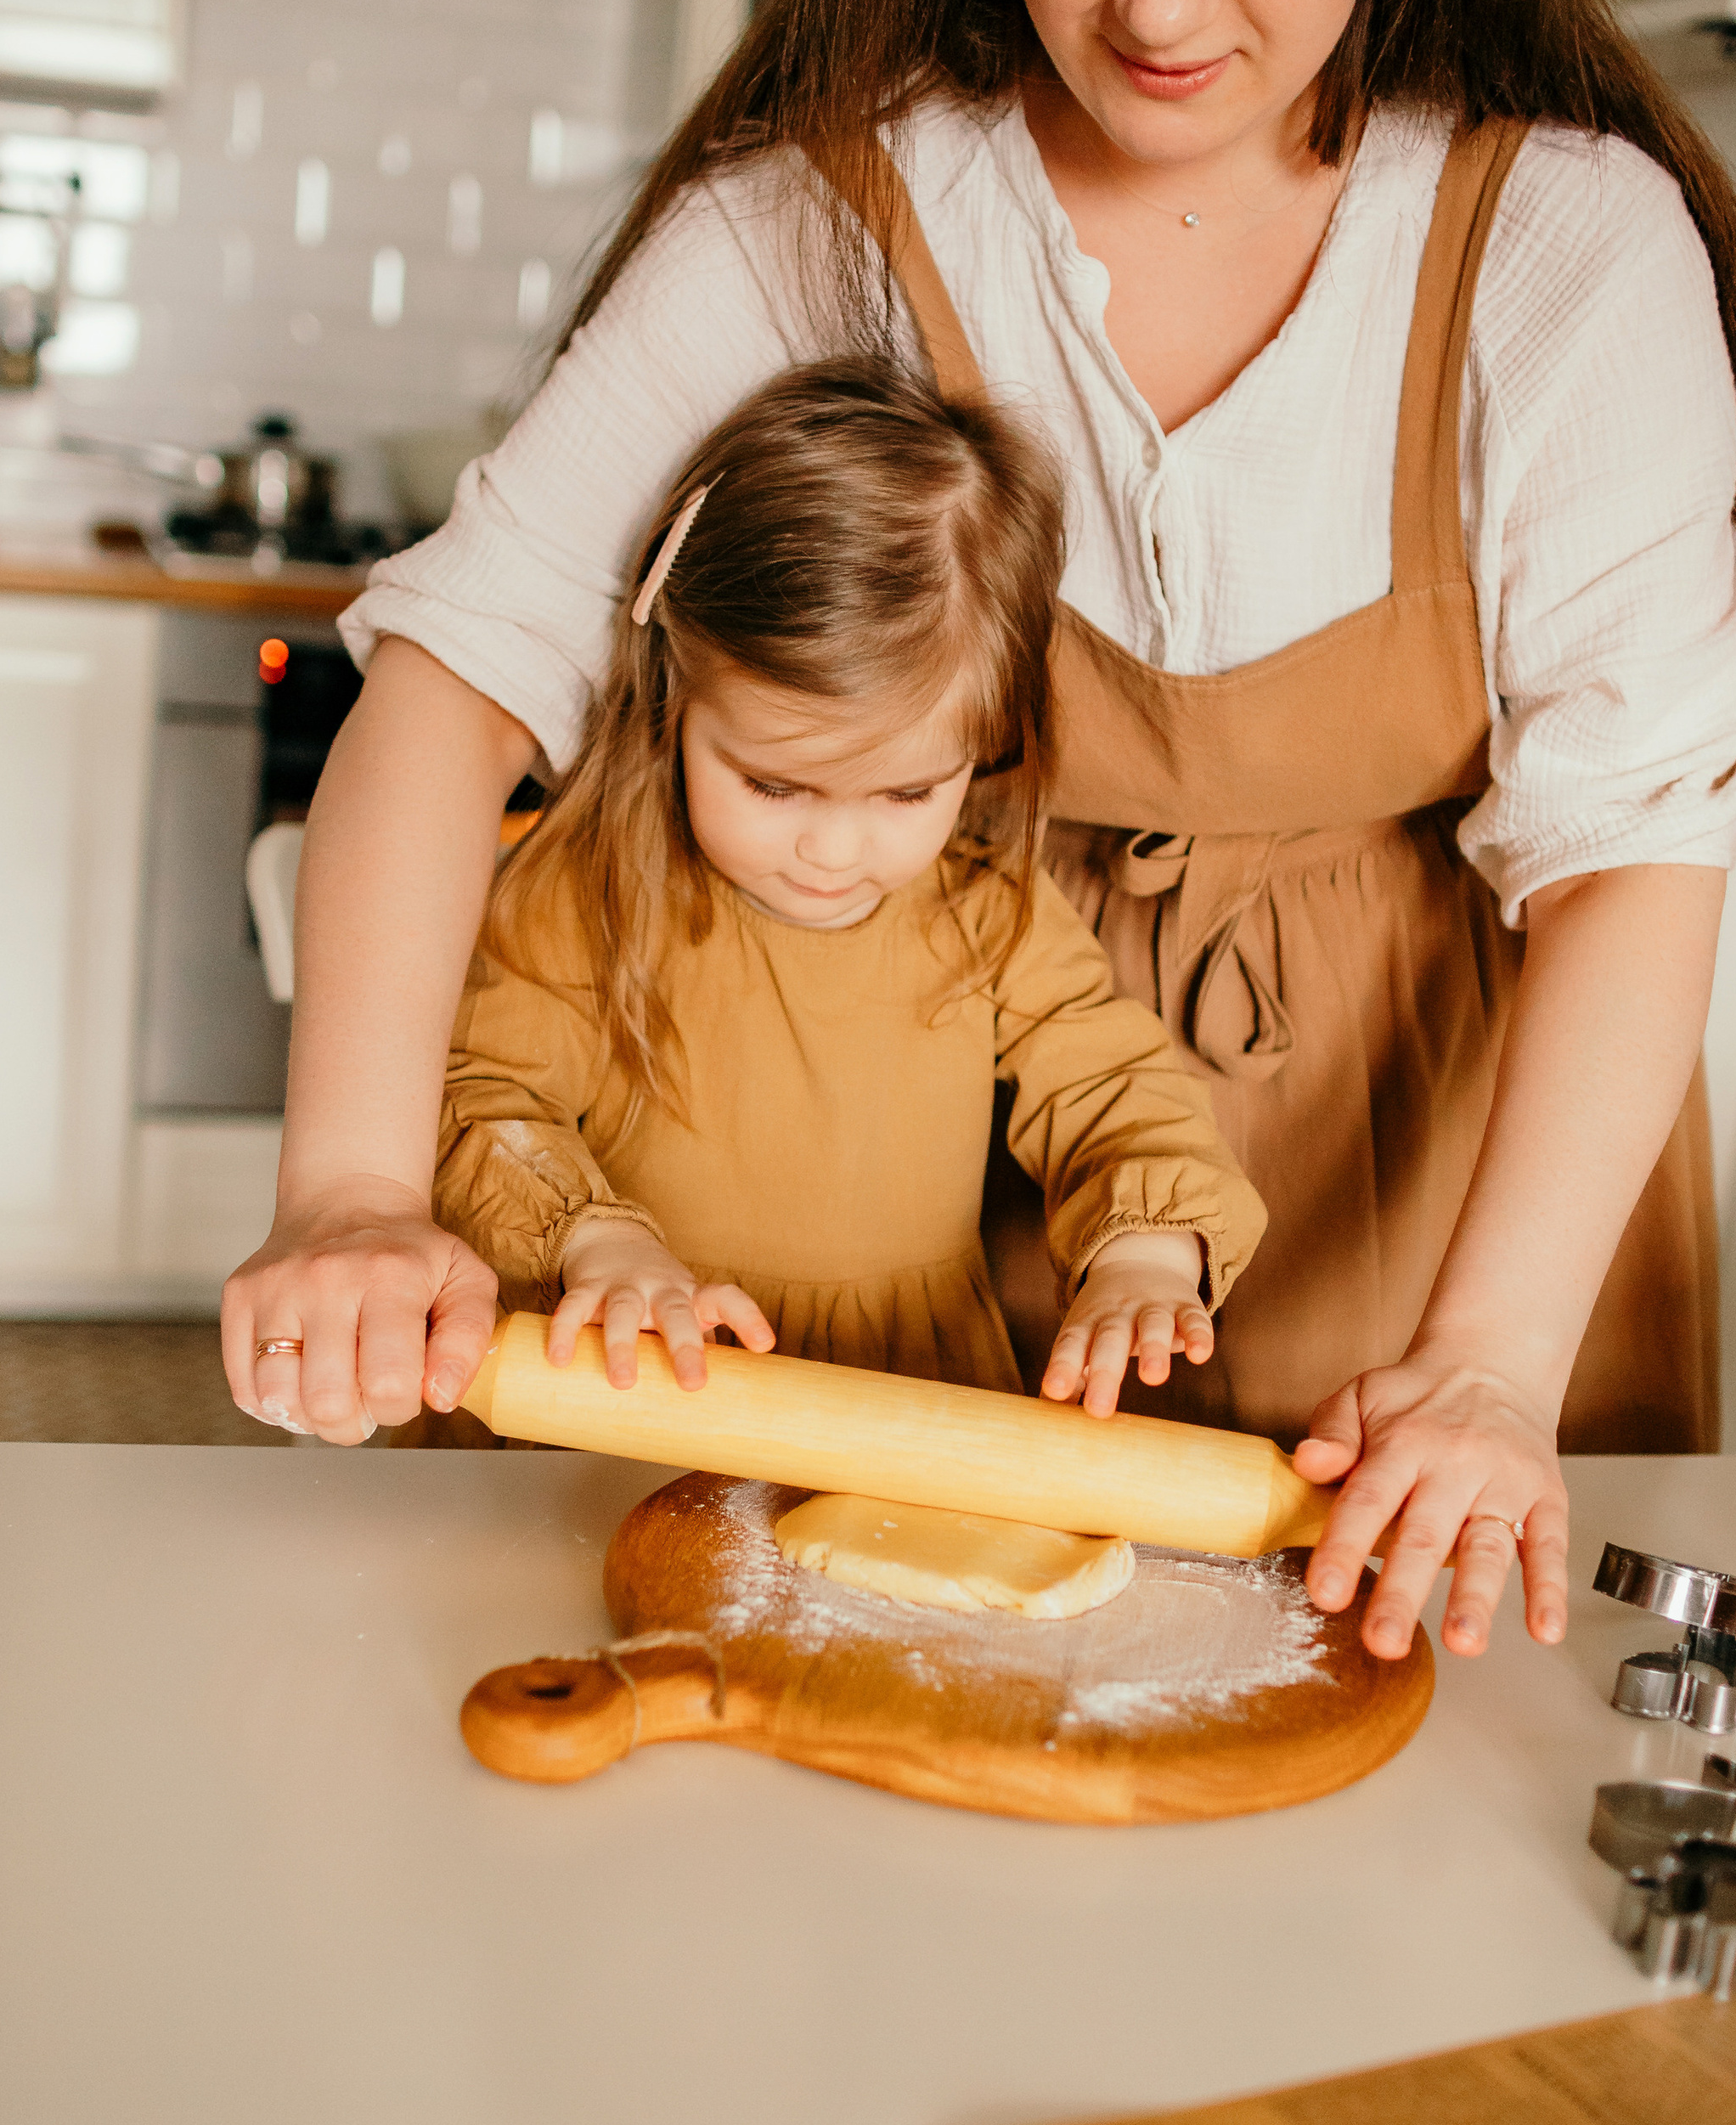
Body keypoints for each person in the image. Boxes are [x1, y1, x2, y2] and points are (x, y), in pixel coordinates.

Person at [223, 0, 1736, 1683]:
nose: (1167, 3)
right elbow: (451, 683)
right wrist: (360, 1194)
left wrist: (1487, 1367)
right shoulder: (813, 230)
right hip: (943, 1232)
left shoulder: (1567, 255)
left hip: (1460, 1225)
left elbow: (1644, 854)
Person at [401, 358, 1265, 1417]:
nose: (833, 852)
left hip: (902, 1396)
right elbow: (480, 1099)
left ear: (985, 746)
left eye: (906, 794)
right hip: (630, 1388)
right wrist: (600, 1240)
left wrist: (1147, 1255)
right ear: (677, 686)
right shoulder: (584, 894)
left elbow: (1116, 1093)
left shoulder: (990, 911)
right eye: (774, 784)